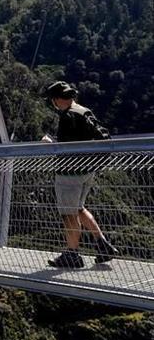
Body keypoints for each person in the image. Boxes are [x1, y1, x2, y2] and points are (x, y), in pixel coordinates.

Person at [42, 81, 118, 268]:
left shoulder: (68, 117)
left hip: (70, 172)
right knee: (78, 208)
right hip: (87, 170)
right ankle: (103, 245)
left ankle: (72, 254)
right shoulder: (83, 111)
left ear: (57, 100)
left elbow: (65, 149)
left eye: (53, 100)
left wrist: (49, 143)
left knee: (68, 213)